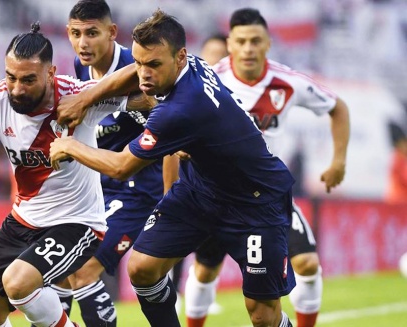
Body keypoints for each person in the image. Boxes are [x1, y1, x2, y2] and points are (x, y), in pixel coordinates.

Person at [50, 9, 296, 327]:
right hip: (200, 190)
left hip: (255, 201)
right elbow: (132, 75)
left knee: (262, 316)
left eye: (154, 65)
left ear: (179, 57)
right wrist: (86, 99)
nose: (144, 75)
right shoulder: (188, 63)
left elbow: (123, 166)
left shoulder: (181, 109)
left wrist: (69, 146)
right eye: (139, 62)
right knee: (141, 268)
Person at [0, 23, 135, 327]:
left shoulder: (77, 97)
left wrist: (92, 97)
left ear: (50, 73)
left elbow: (140, 76)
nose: (17, 88)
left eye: (28, 79)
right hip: (23, 221)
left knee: (18, 282)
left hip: (76, 222)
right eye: (11, 77)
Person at [183, 8, 350, 327]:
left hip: (268, 195)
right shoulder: (209, 79)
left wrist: (338, 161)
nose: (248, 48)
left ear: (268, 43)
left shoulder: (287, 81)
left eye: (255, 41)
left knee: (308, 263)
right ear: (230, 44)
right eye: (241, 41)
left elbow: (337, 107)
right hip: (217, 194)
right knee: (205, 270)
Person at [50, 1, 179, 326]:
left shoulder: (138, 66)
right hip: (98, 187)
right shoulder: (80, 71)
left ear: (111, 33)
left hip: (140, 189)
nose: (83, 43)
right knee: (59, 273)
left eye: (92, 33)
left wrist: (170, 201)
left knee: (83, 268)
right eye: (76, 33)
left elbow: (171, 136)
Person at [172, 32, 229, 316]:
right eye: (211, 53)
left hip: (224, 192)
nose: (215, 60)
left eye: (221, 54)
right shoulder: (187, 88)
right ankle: (172, 294)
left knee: (210, 256)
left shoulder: (232, 95)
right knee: (173, 243)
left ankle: (203, 292)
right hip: (189, 186)